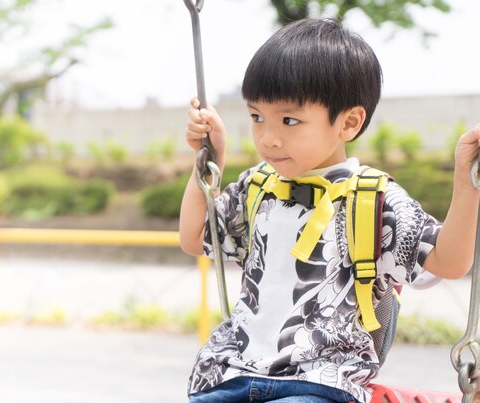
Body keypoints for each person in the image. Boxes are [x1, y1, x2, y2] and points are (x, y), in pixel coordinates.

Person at [179, 18, 480, 403]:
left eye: (289, 120)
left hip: (321, 381)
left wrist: (465, 183)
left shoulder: (371, 198)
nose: (268, 138)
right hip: (231, 372)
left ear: (349, 122)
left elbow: (448, 262)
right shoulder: (257, 187)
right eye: (257, 117)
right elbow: (193, 238)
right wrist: (208, 161)